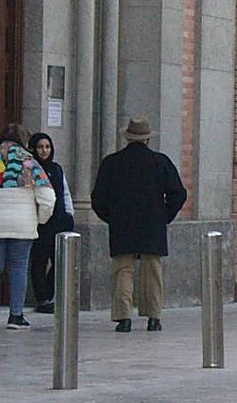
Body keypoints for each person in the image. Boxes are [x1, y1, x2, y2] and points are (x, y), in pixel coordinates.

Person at [91, 118, 188, 332]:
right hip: (153, 223)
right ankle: (154, 317)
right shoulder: (160, 162)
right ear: (147, 139)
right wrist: (164, 216)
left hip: (122, 224)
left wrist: (112, 217)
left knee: (122, 270)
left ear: (127, 137)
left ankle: (123, 317)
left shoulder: (111, 162)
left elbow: (97, 198)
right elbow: (178, 194)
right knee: (152, 271)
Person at [0, 124, 56, 330]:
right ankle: (16, 316)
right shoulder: (29, 162)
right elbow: (48, 197)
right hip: (22, 224)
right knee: (18, 267)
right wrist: (40, 219)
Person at [27, 132, 74, 314]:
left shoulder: (56, 169)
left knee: (59, 261)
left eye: (47, 147)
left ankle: (50, 295)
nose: (44, 150)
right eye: (40, 147)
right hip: (39, 223)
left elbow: (65, 192)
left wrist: (69, 213)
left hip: (59, 221)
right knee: (39, 261)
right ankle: (42, 298)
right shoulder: (30, 169)